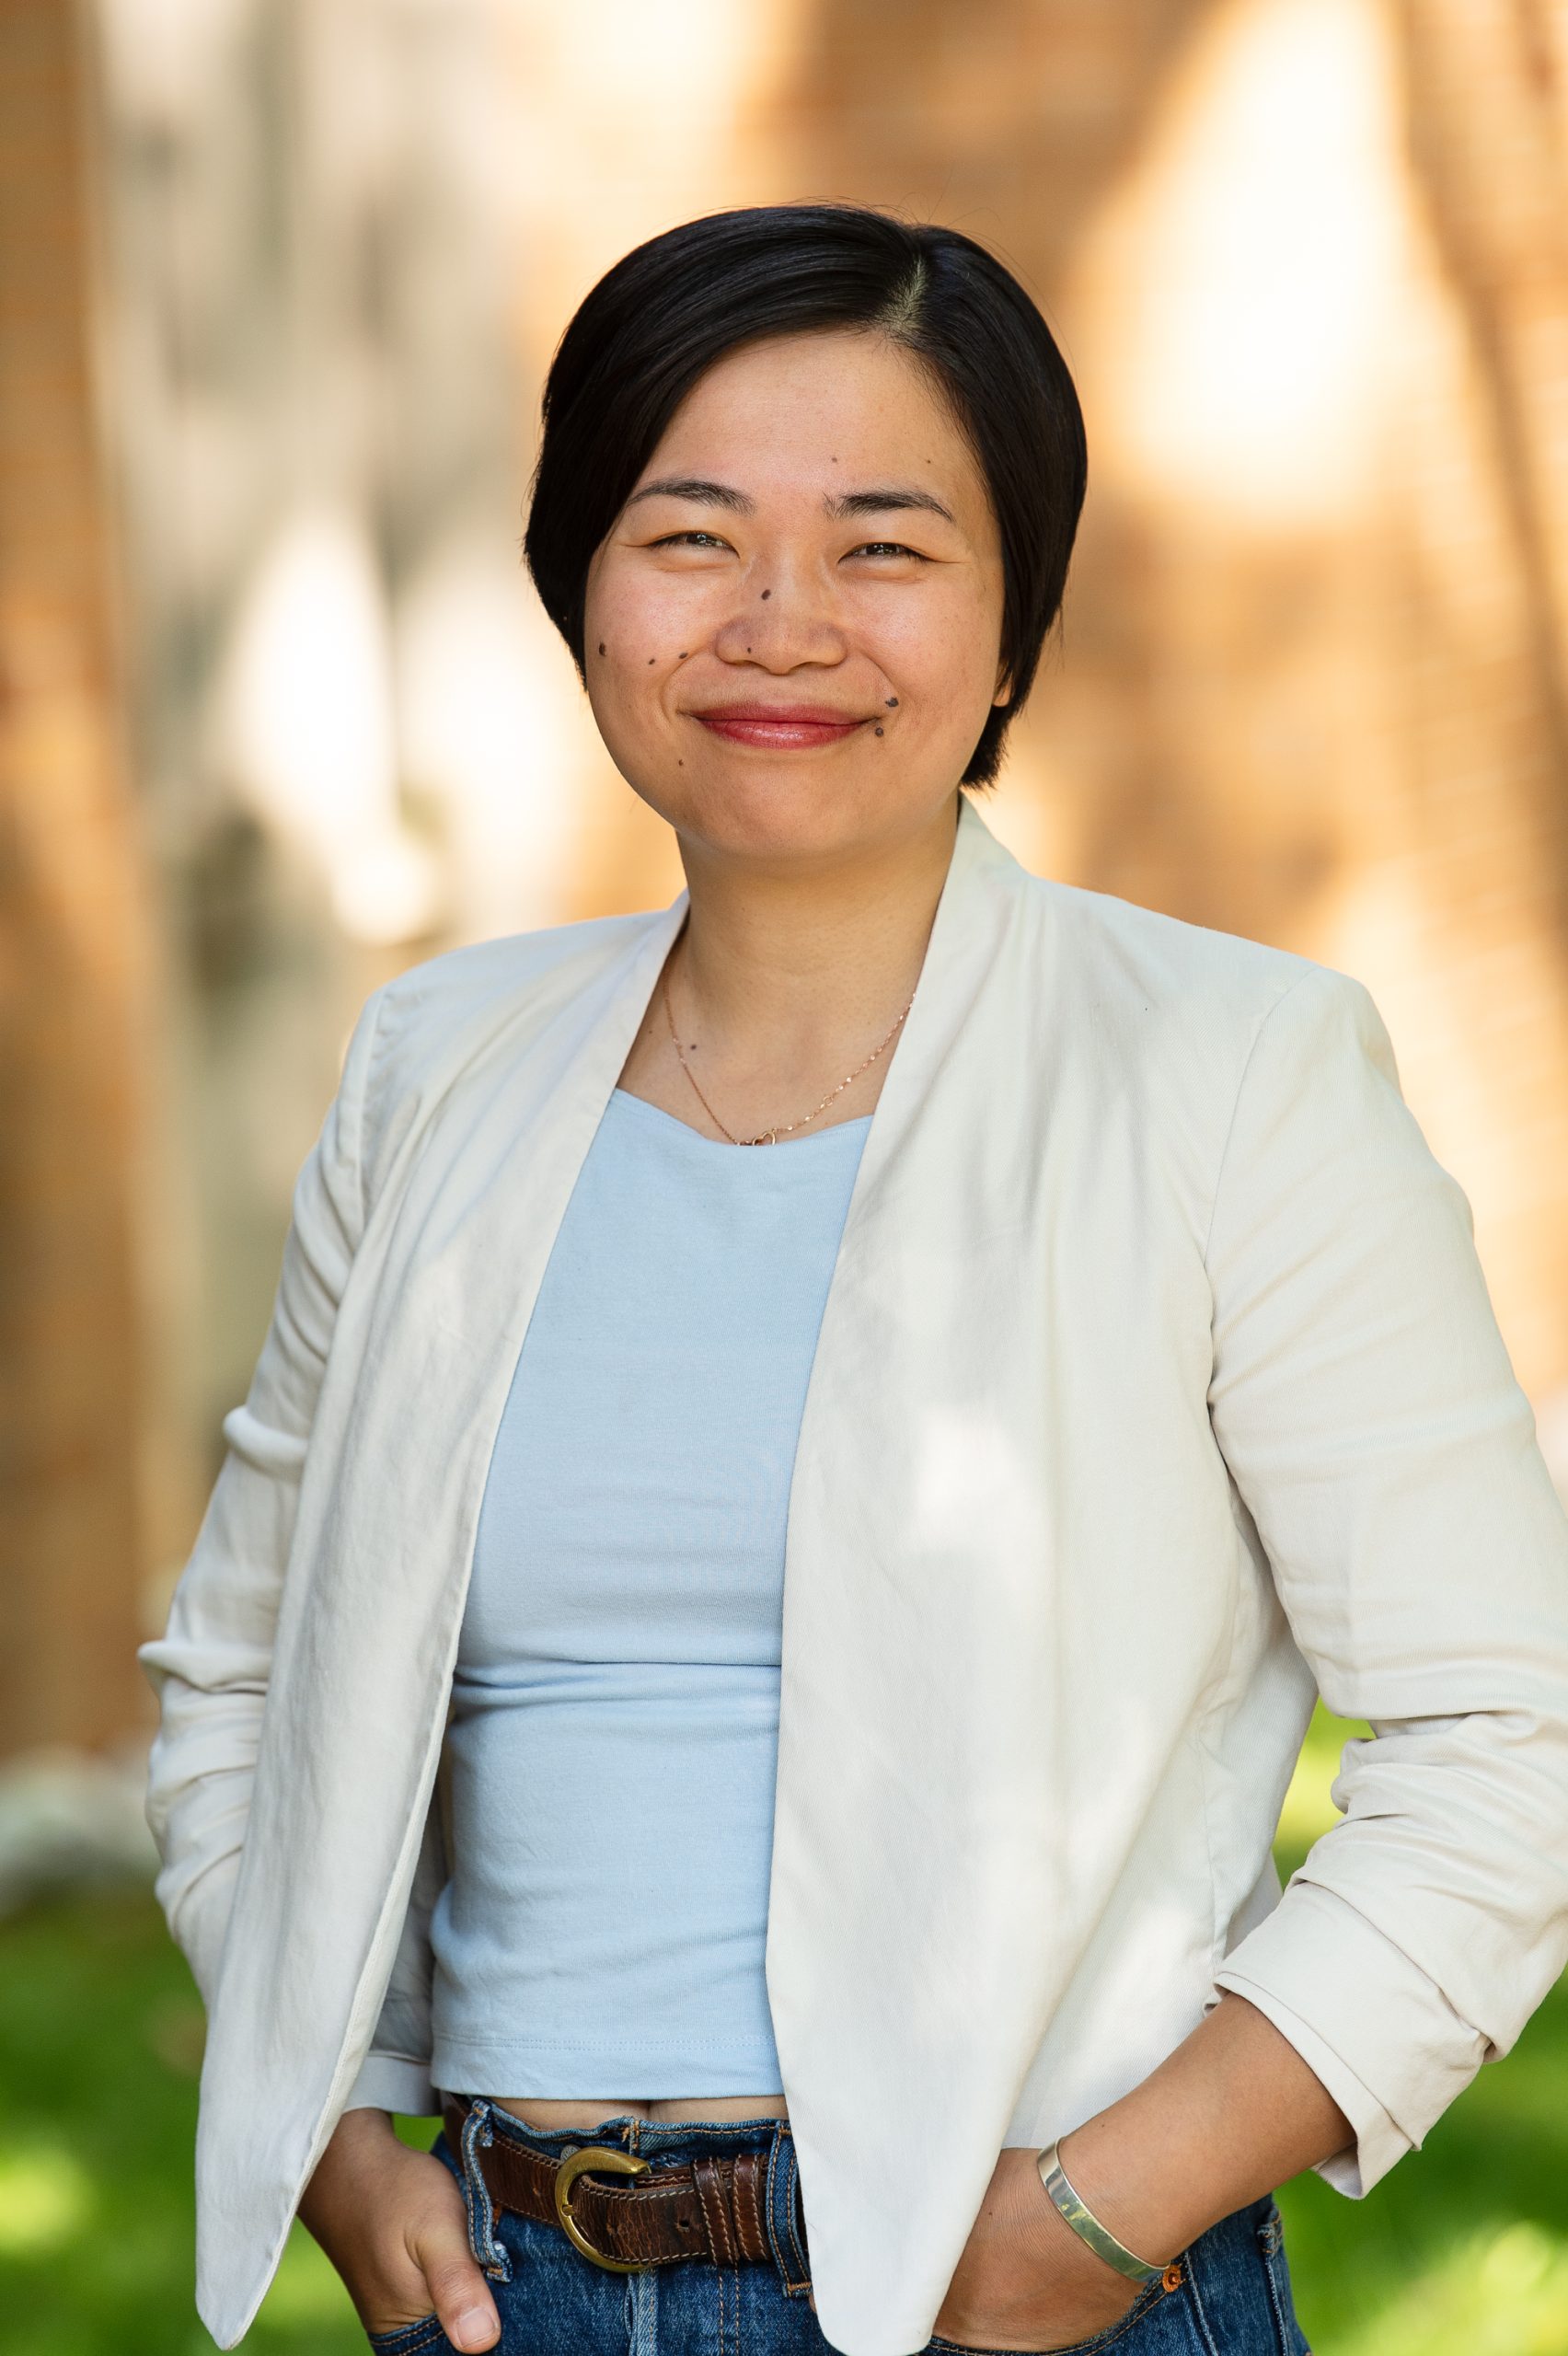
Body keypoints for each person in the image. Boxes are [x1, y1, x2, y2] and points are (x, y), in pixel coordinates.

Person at [139, 204, 1568, 2356]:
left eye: (886, 546)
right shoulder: (448, 1066)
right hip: (501, 2286)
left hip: (1031, 2285)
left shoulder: (1230, 1072)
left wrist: (1098, 2215)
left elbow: (1514, 1729)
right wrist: (332, 2124)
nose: (779, 622)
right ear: (581, 590)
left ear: (1011, 629)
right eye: (689, 534)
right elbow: (245, 1677)